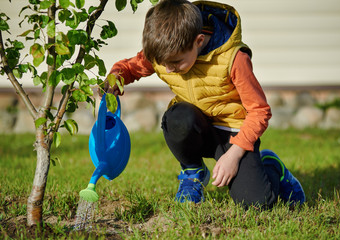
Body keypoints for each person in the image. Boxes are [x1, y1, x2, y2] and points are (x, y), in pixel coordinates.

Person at [101, 0, 305, 208]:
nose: (169, 70)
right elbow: (130, 67)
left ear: (198, 41)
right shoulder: (165, 54)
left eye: (176, 63)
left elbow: (259, 111)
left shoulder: (234, 59)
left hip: (233, 132)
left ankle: (271, 166)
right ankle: (193, 172)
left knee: (256, 203)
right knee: (176, 118)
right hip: (195, 124)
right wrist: (115, 79)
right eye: (164, 64)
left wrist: (234, 155)